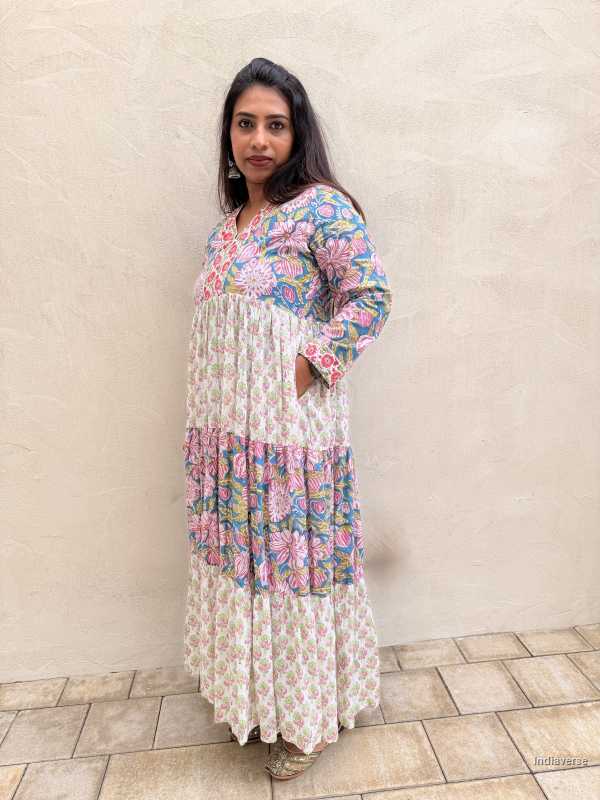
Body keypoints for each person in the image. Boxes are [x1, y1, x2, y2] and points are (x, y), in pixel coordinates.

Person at [182, 56, 393, 781]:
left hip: (290, 435)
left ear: (297, 133)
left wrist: (307, 368)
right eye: (246, 124)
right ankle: (252, 697)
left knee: (292, 565)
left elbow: (369, 298)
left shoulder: (322, 209)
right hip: (227, 442)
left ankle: (305, 717)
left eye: (276, 124)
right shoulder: (224, 231)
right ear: (229, 135)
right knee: (246, 562)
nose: (260, 139)